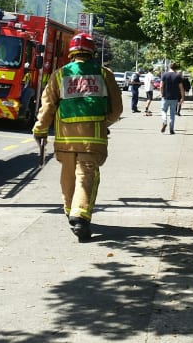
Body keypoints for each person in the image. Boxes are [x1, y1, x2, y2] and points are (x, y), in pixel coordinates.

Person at [32, 33, 123, 242]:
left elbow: (47, 106)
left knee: (68, 175)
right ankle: (80, 216)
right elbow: (117, 109)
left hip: (65, 140)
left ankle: (70, 211)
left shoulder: (60, 74)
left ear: (71, 53)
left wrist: (40, 130)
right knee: (86, 176)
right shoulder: (104, 74)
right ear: (92, 52)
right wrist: (104, 123)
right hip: (93, 139)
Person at [159, 62, 185, 134]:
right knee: (172, 114)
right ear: (176, 68)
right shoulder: (178, 76)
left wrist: (162, 94)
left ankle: (164, 121)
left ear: (169, 67)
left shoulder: (164, 75)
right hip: (174, 97)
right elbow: (181, 88)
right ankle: (171, 129)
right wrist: (182, 98)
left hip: (165, 97)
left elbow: (161, 86)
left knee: (163, 110)